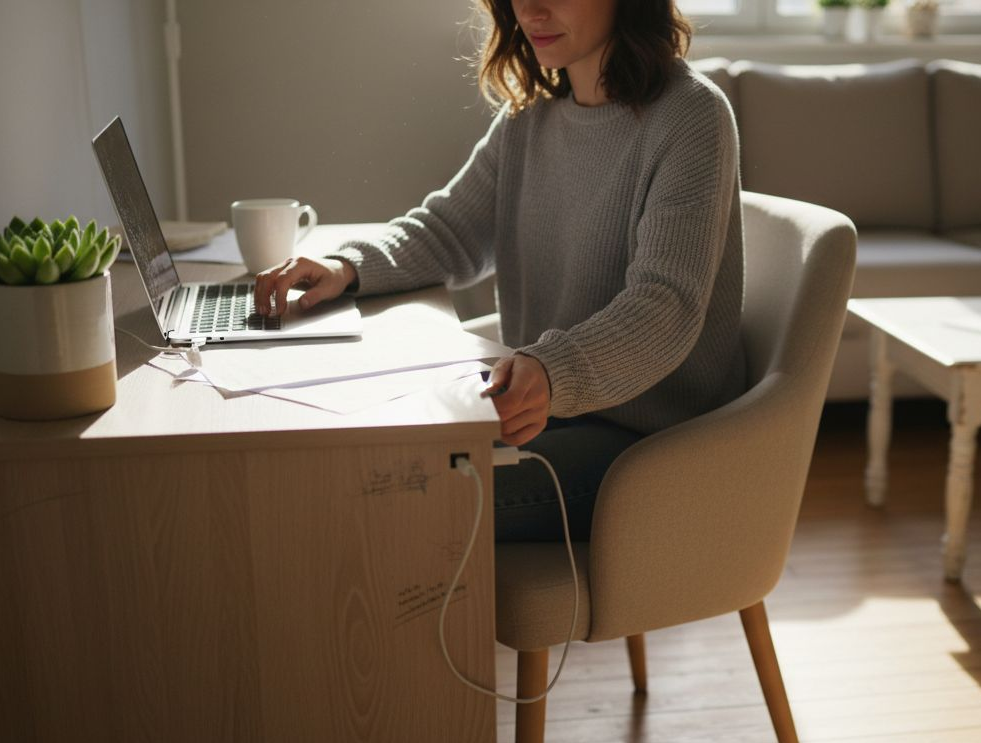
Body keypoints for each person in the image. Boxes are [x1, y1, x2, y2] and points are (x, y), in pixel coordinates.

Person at [252, 0, 745, 541]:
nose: (530, 8)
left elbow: (666, 307)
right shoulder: (530, 116)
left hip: (648, 445)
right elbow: (449, 230)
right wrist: (346, 265)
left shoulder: (692, 116)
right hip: (546, 410)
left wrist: (554, 370)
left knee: (388, 498)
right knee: (353, 455)